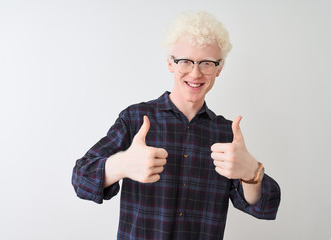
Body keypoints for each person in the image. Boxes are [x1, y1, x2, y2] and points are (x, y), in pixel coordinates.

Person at [72, 11, 281, 240]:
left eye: (206, 63)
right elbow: (82, 178)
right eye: (186, 61)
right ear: (170, 63)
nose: (195, 72)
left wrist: (251, 172)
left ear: (219, 69)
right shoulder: (136, 118)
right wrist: (122, 164)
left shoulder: (226, 133)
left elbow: (263, 207)